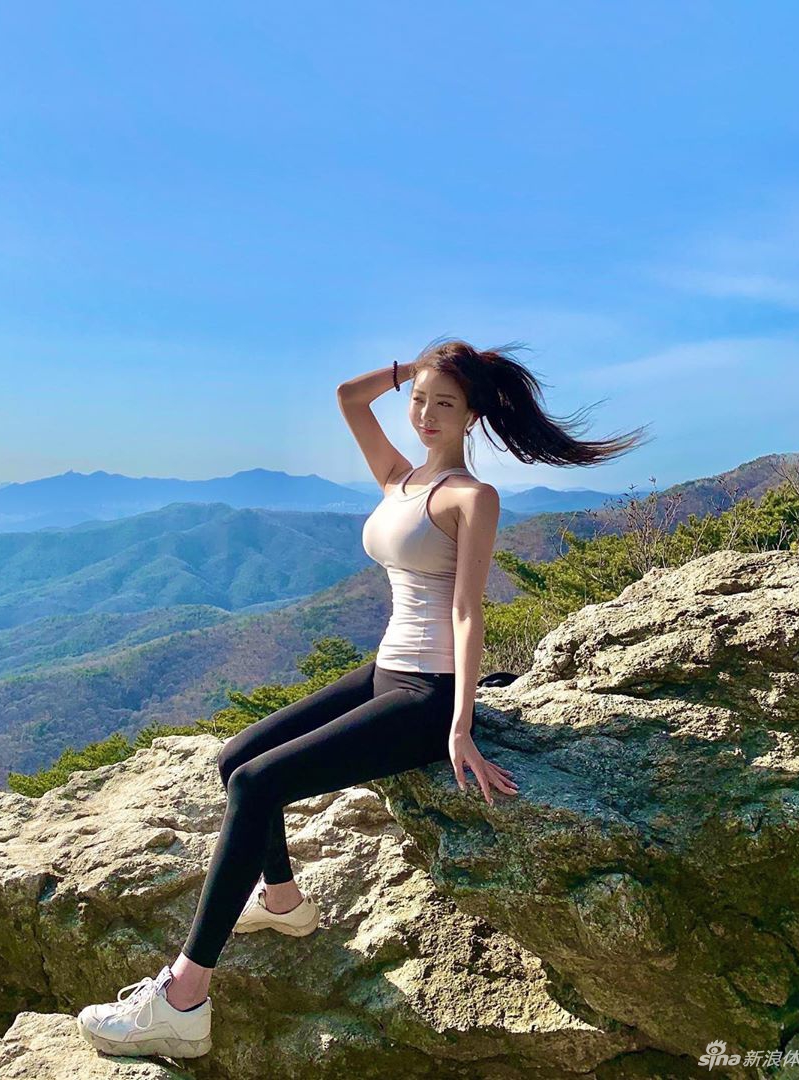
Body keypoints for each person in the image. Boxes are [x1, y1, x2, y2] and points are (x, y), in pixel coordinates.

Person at [77, 338, 651, 1059]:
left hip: (428, 695)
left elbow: (470, 613)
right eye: (419, 400)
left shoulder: (472, 497)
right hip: (385, 669)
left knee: (258, 784)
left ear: (472, 416)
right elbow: (350, 398)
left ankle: (184, 998)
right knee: (235, 759)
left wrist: (462, 727)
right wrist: (425, 365)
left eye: (446, 403)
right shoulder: (398, 479)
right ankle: (282, 901)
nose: (426, 413)